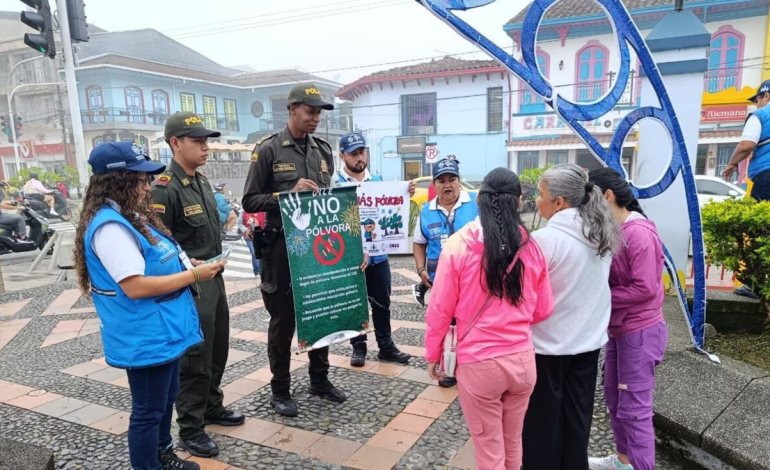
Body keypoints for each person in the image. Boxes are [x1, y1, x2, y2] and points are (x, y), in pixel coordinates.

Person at [73, 141, 227, 470]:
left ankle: (163, 454)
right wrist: (194, 275)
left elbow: (154, 262)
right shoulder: (111, 226)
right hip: (143, 335)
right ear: (118, 180)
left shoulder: (129, 216)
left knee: (165, 398)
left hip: (161, 330)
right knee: (147, 411)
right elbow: (136, 286)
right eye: (141, 179)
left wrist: (188, 265)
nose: (147, 186)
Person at [425, 168, 554, 470]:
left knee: (489, 452)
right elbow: (542, 310)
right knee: (513, 443)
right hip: (522, 362)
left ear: (480, 199)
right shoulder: (531, 248)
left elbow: (441, 309)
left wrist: (433, 354)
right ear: (520, 201)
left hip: (479, 366)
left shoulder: (458, 246)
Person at [242, 83, 347, 418]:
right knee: (283, 321)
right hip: (282, 248)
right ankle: (281, 389)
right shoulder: (269, 150)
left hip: (317, 247)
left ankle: (319, 379)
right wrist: (288, 196)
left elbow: (329, 201)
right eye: (310, 111)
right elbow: (250, 200)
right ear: (291, 110)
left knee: (320, 313)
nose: (315, 118)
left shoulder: (323, 151)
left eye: (318, 113)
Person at [151, 112, 244, 458]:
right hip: (189, 285)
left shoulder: (202, 182)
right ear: (175, 143)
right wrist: (190, 268)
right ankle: (191, 426)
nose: (206, 147)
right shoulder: (164, 187)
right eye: (198, 141)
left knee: (218, 348)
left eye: (207, 141)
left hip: (214, 280)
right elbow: (159, 244)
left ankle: (212, 406)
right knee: (195, 357)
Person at [521, 163, 620, 470]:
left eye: (540, 194)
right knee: (578, 419)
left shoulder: (545, 240)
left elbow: (525, 295)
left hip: (547, 347)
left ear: (559, 202)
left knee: (541, 426)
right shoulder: (601, 234)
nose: (537, 201)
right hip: (587, 345)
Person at [587, 168, 668, 470]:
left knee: (635, 409)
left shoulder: (638, 233)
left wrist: (599, 296)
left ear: (606, 196)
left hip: (640, 332)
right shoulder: (615, 231)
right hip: (620, 330)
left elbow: (645, 288)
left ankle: (640, 466)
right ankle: (623, 462)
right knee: (614, 399)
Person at [333, 131, 413, 367]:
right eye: (354, 154)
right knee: (355, 304)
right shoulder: (335, 184)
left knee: (382, 302)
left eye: (362, 152)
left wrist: (404, 195)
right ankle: (358, 347)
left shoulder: (377, 181)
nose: (360, 158)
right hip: (350, 260)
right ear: (342, 156)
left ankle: (386, 345)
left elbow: (392, 209)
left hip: (378, 257)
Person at [412, 157, 478, 387]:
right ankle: (448, 369)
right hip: (439, 280)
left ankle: (471, 367)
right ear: (434, 184)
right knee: (444, 324)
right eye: (441, 180)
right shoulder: (426, 211)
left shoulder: (476, 205)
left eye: (452, 179)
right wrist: (421, 269)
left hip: (473, 280)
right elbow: (419, 243)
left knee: (470, 323)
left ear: (460, 181)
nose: (447, 185)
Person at [721, 80, 770, 299]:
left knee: (760, 231)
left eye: (757, 99)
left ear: (765, 96)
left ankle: (757, 285)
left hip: (766, 176)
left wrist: (732, 163)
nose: (757, 104)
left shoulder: (761, 115)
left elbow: (747, 144)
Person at [238, 210, 264, 276]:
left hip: (261, 236)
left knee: (261, 253)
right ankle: (257, 272)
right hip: (249, 237)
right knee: (254, 253)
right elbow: (239, 223)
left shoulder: (263, 211)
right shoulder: (243, 212)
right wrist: (246, 230)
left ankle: (262, 272)